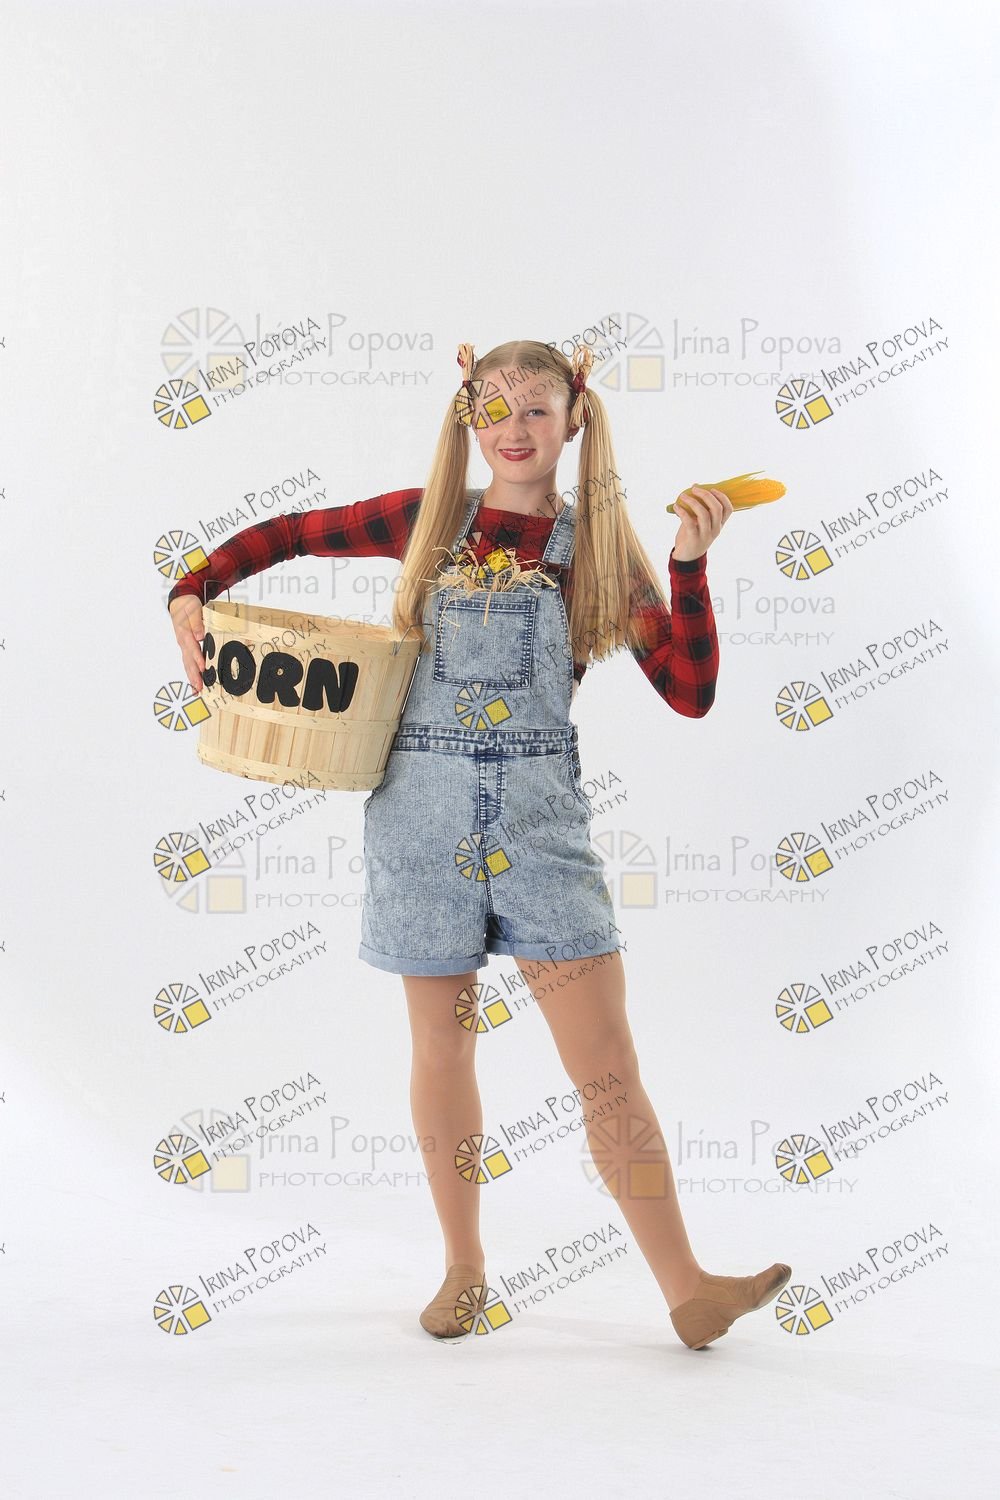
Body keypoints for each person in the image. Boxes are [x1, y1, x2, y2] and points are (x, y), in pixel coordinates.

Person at [167, 338, 791, 1351]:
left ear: (574, 420)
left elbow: (689, 691)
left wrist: (687, 564)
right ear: (467, 417)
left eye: (536, 408)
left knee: (607, 1064)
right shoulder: (426, 520)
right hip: (419, 821)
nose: (514, 428)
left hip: (541, 830)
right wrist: (191, 589)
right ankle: (463, 1270)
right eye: (493, 407)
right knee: (442, 1045)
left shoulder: (599, 549)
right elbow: (290, 532)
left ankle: (688, 1290)